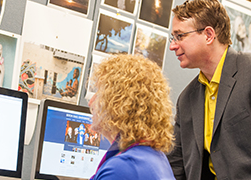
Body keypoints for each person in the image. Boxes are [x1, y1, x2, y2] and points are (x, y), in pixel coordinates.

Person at [167, 0, 251, 179]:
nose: (172, 46)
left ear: (208, 35)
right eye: (173, 38)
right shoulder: (186, 99)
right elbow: (176, 166)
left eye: (179, 36)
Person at [88, 54, 175, 180]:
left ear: (118, 104)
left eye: (99, 93)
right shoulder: (154, 158)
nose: (91, 102)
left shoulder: (122, 168)